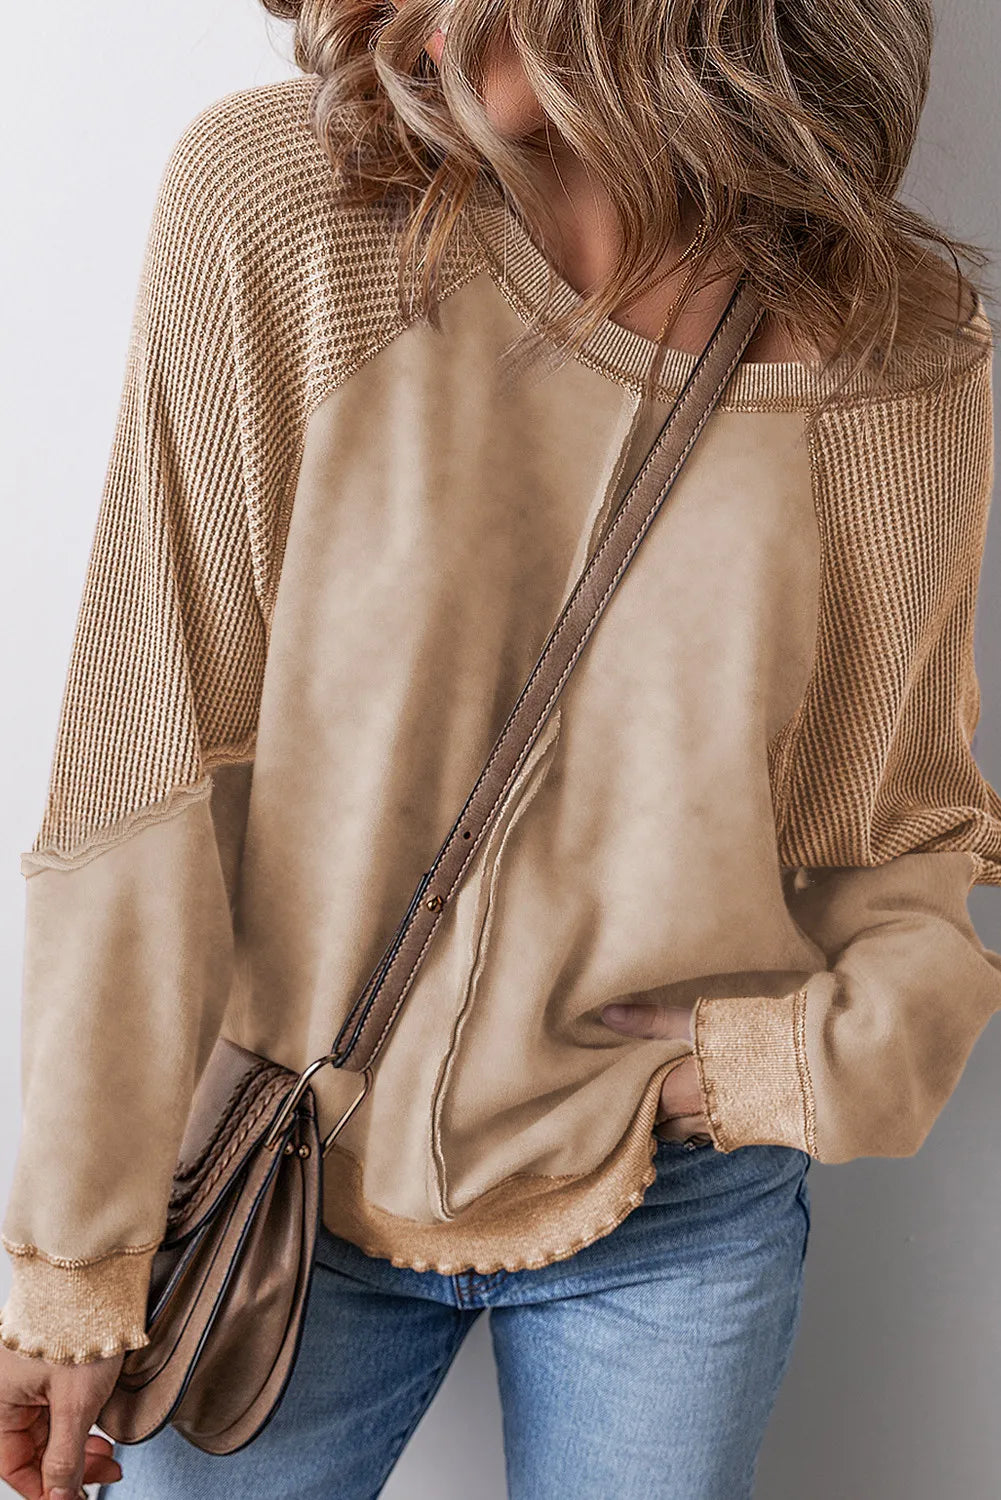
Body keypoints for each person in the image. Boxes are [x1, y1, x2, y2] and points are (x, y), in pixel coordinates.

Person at [2, 0, 1000, 1496]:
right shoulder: (292, 206)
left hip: (676, 1206)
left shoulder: (893, 344)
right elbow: (143, 758)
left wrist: (771, 1067)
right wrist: (73, 1264)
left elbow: (891, 828)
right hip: (289, 1187)